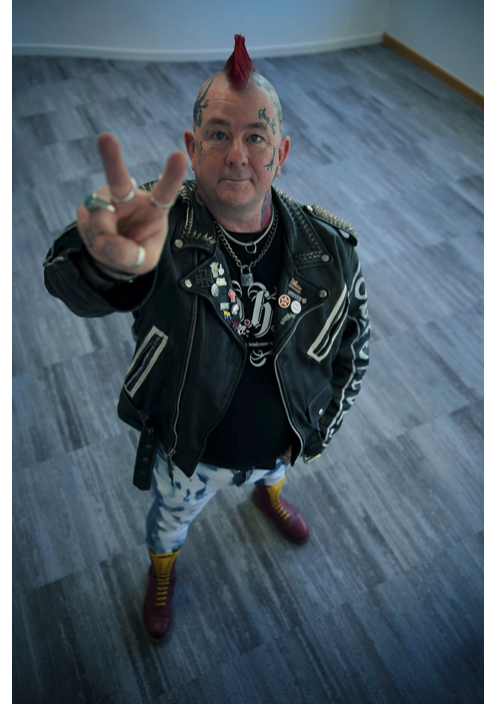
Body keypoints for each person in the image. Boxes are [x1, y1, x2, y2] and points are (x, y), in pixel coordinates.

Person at [44, 35, 370, 644]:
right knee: (171, 521)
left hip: (280, 445)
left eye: (256, 136)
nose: (237, 155)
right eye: (218, 134)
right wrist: (101, 264)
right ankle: (162, 570)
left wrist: (317, 430)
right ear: (192, 148)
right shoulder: (160, 231)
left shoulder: (329, 251)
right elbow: (74, 281)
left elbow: (354, 350)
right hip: (190, 452)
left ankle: (269, 494)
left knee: (274, 473)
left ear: (282, 152)